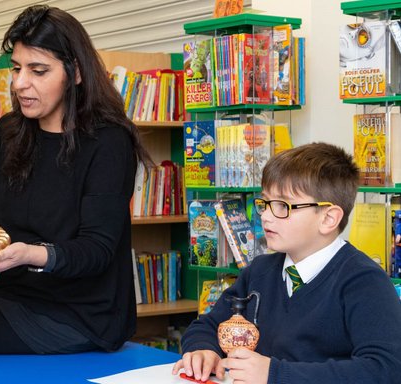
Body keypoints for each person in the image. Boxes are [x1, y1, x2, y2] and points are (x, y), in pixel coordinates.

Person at [0, 4, 150, 354]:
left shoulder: (108, 141)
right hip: (12, 298)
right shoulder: (8, 131)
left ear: (76, 73)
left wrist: (31, 255)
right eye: (17, 68)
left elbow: (97, 250)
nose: (21, 83)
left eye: (38, 71)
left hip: (80, 317)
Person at [172, 142, 401, 383]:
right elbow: (207, 324)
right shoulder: (260, 271)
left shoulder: (364, 281)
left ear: (328, 218)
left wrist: (276, 374)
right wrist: (203, 349)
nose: (266, 216)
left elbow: (386, 369)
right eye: (265, 203)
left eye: (283, 206)